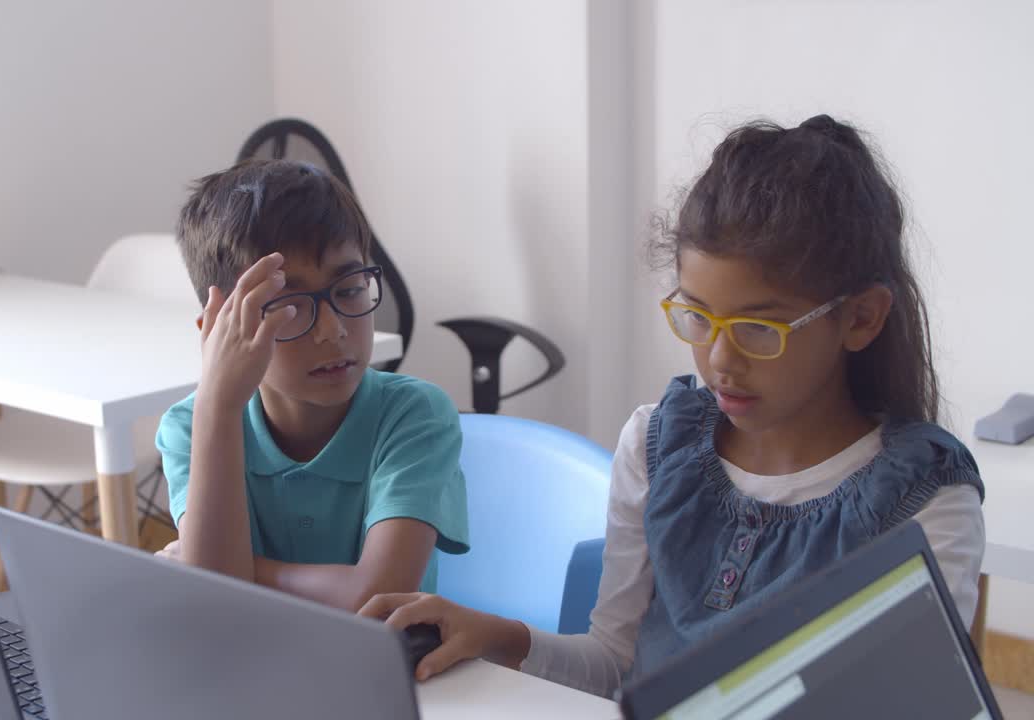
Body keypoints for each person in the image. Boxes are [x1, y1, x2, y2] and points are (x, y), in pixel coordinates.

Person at [360, 115, 984, 696]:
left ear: (862, 318)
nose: (719, 359)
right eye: (696, 317)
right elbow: (614, 664)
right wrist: (500, 636)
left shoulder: (925, 504)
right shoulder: (660, 444)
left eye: (759, 330)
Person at [155, 159, 469, 613]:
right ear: (219, 331)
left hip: (381, 672)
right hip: (243, 667)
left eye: (349, 288)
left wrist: (247, 571)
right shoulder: (194, 425)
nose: (332, 329)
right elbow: (215, 603)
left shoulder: (414, 415)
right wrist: (218, 407)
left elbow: (376, 600)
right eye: (289, 304)